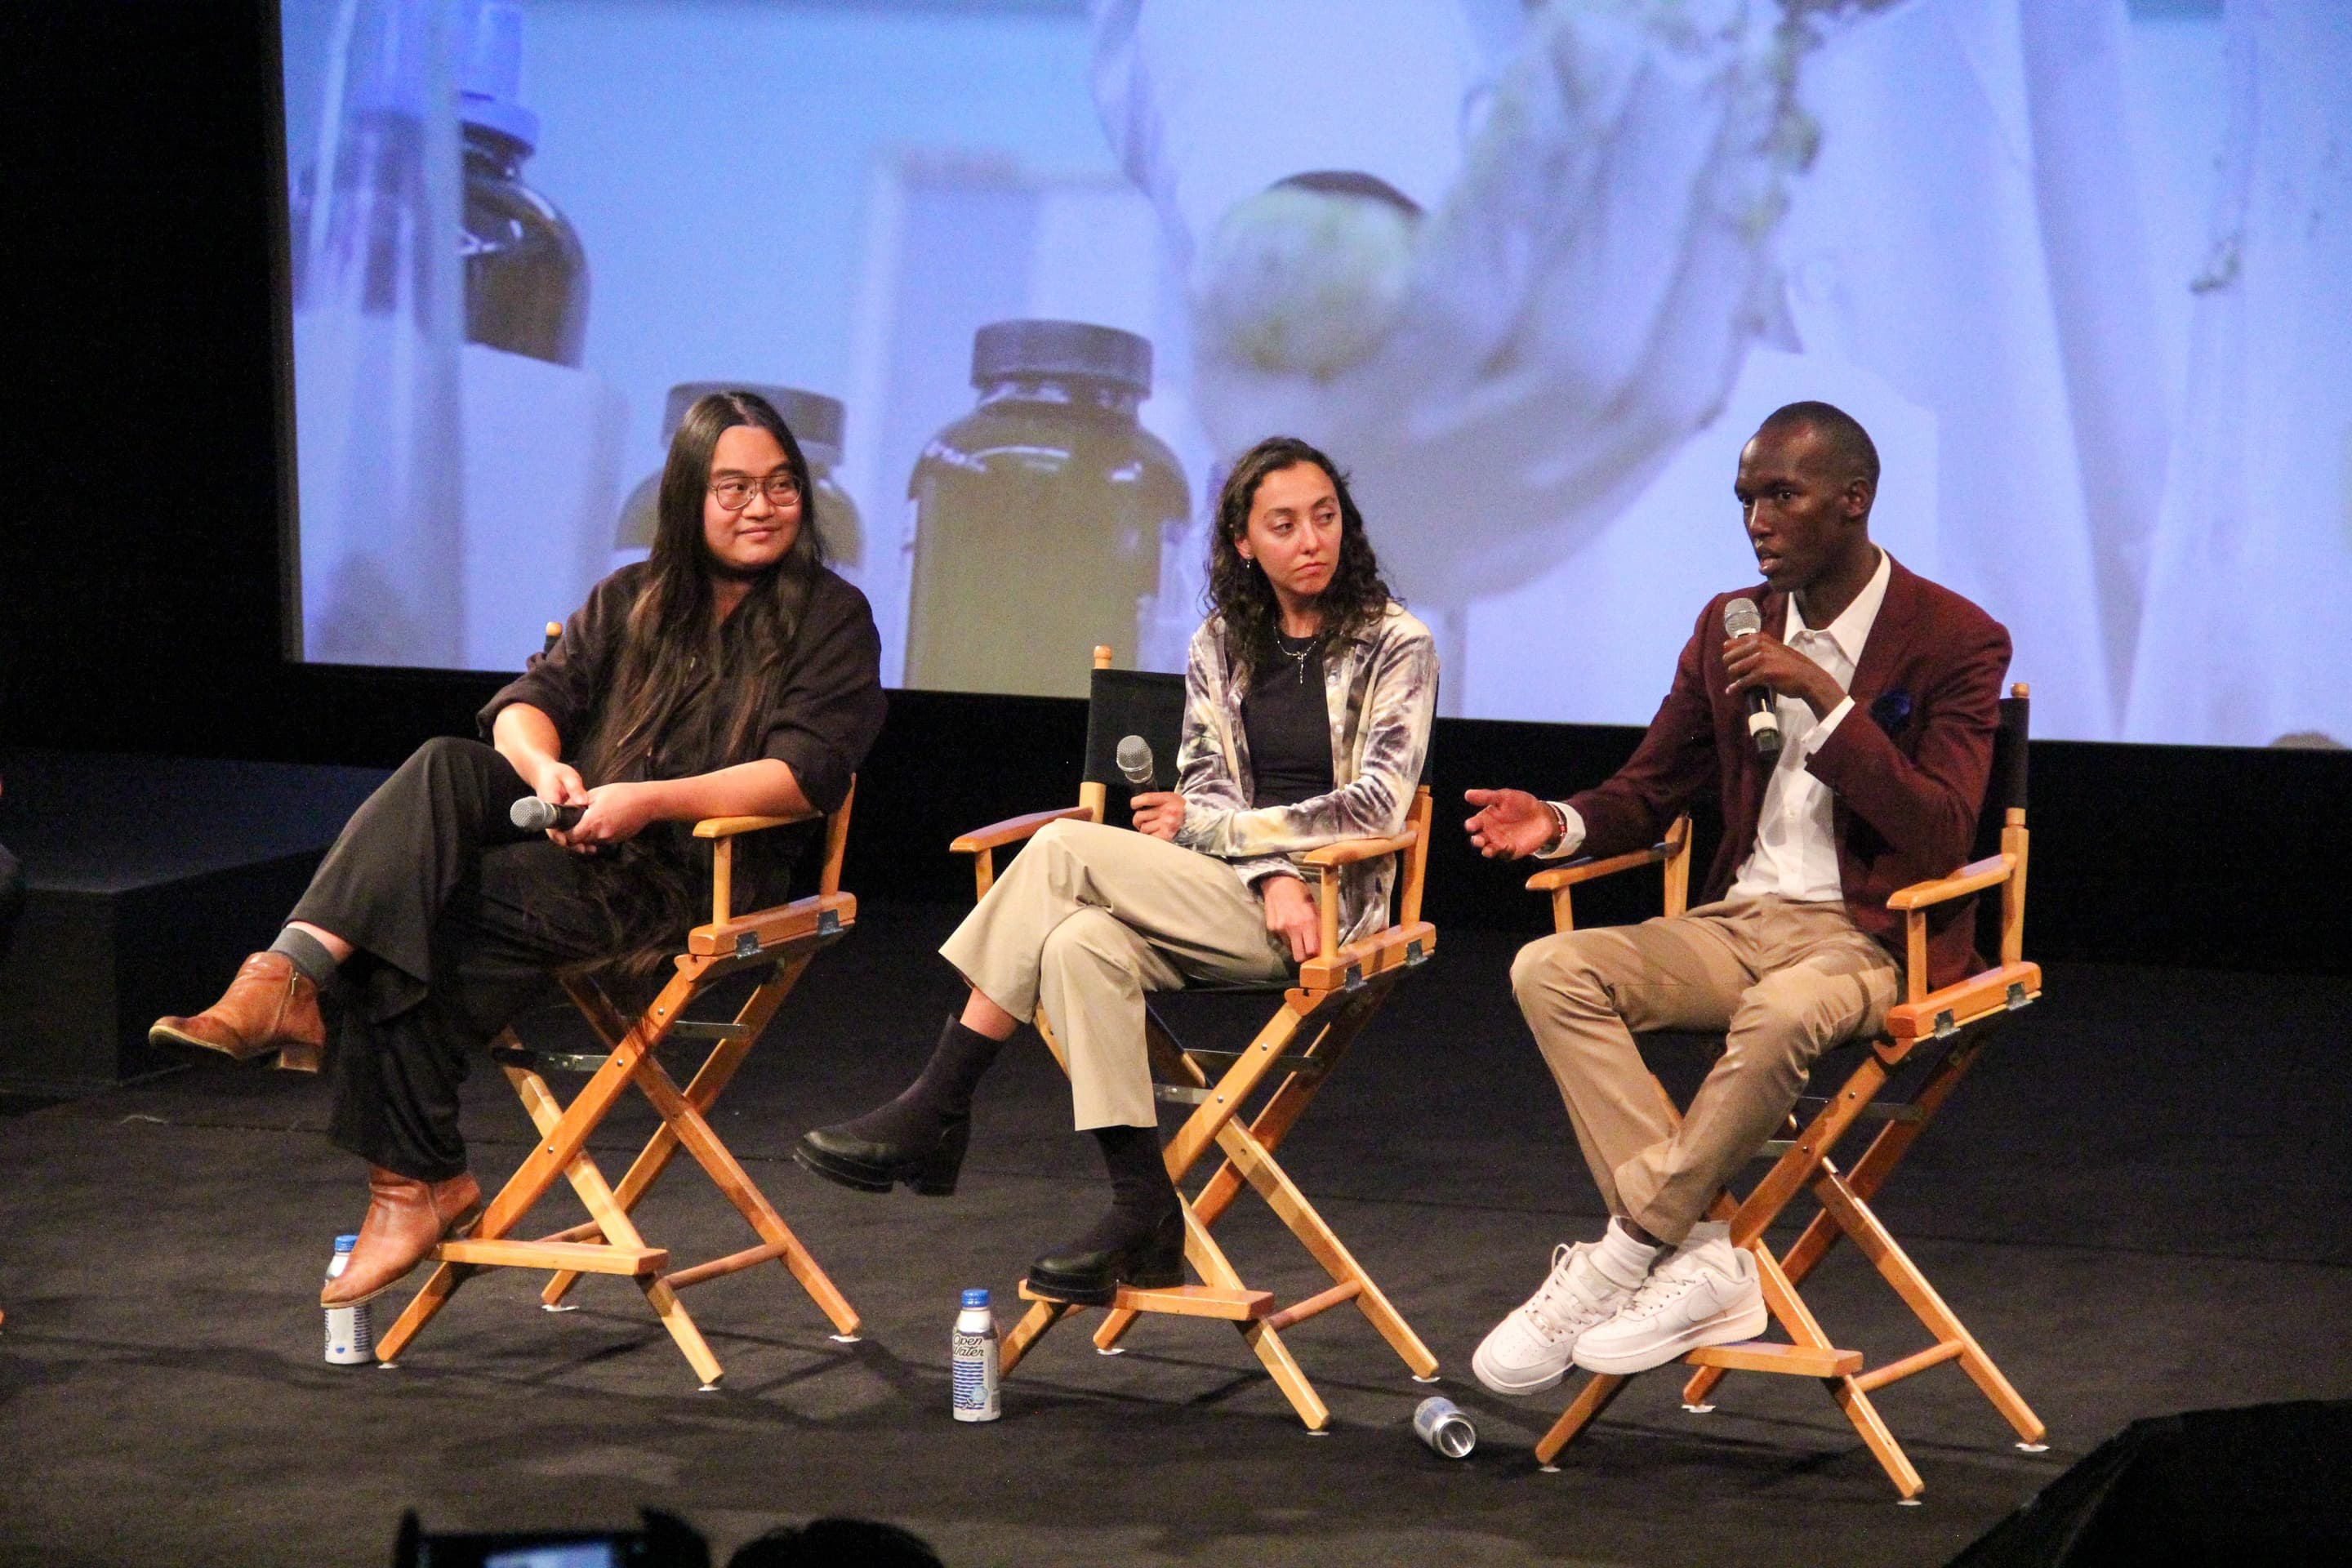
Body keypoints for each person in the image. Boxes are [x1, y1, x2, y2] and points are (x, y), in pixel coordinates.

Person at [150, 391, 885, 1308]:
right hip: (582, 840)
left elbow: (804, 776)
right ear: (687, 497)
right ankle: (292, 984)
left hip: (693, 875)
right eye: (732, 486)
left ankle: (407, 1177)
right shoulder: (632, 598)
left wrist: (646, 801)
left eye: (780, 485)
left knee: (409, 911)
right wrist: (546, 772)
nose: (760, 506)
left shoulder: (831, 616)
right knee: (442, 771)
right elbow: (527, 702)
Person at [795, 435, 1436, 1304]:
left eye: (1325, 517)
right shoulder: (1223, 639)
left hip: (1337, 906)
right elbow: (1204, 773)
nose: (1311, 540)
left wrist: (1257, 852)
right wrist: (1268, 871)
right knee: (1078, 947)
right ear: (1244, 544)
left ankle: (937, 1104)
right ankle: (1144, 1210)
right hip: (1248, 895)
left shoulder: (1397, 641)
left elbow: (1375, 807)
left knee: (1062, 849)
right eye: (1283, 524)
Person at [1461, 400, 2009, 1392]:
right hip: (1737, 917)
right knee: (1551, 966)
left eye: (1780, 496)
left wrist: (1823, 697)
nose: (1757, 519)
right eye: (1746, 498)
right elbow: (1650, 785)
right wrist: (1560, 820)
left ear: (1853, 501)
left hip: (1872, 936)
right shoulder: (1728, 623)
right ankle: (1706, 1253)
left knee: (1783, 1013)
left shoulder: (1954, 638)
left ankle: (1626, 1257)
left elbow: (1939, 832)